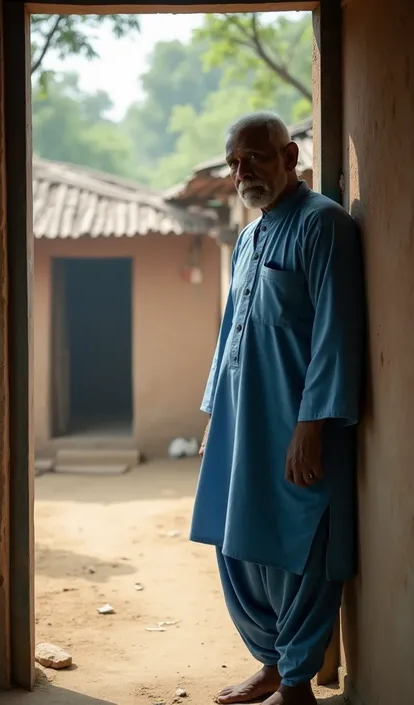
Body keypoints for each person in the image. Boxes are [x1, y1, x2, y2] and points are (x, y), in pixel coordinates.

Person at [191, 112, 364, 705]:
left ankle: (296, 681)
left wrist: (310, 428)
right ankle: (269, 661)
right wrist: (216, 420)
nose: (244, 173)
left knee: (303, 546)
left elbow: (336, 336)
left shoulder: (325, 226)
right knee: (237, 539)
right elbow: (228, 335)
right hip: (242, 423)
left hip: (297, 425)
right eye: (235, 162)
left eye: (257, 158)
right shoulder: (249, 236)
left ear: (289, 157)